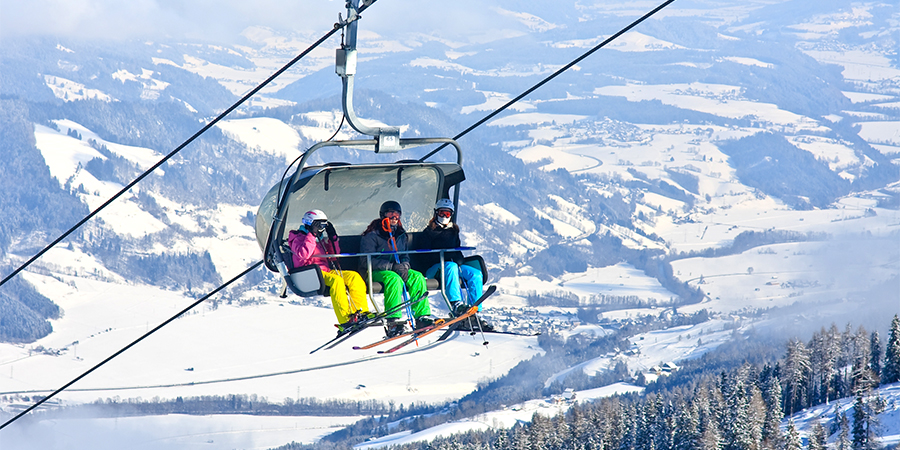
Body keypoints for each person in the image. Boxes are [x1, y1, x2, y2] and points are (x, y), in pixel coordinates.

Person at [360, 200, 434, 336]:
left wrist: (404, 267)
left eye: (397, 214)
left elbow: (405, 256)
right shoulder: (372, 235)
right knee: (395, 280)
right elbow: (366, 260)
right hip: (376, 271)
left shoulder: (400, 235)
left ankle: (421, 317)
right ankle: (392, 321)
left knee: (417, 277)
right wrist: (391, 266)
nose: (394, 217)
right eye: (390, 214)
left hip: (397, 268)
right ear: (383, 215)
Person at [289, 209, 369, 331]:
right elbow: (303, 254)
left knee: (354, 277)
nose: (321, 229)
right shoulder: (297, 237)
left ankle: (361, 312)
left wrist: (333, 238)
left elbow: (334, 255)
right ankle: (345, 320)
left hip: (325, 271)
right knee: (336, 281)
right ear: (310, 223)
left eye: (324, 225)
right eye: (319, 225)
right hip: (309, 272)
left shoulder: (319, 239)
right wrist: (312, 235)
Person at [418, 199, 492, 331]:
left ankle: (474, 311)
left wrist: (459, 259)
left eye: (447, 214)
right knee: (451, 267)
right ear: (436, 213)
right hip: (434, 268)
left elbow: (456, 250)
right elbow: (424, 256)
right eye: (442, 213)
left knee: (475, 274)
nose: (444, 217)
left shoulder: (453, 231)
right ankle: (456, 304)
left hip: (451, 265)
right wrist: (445, 258)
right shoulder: (428, 233)